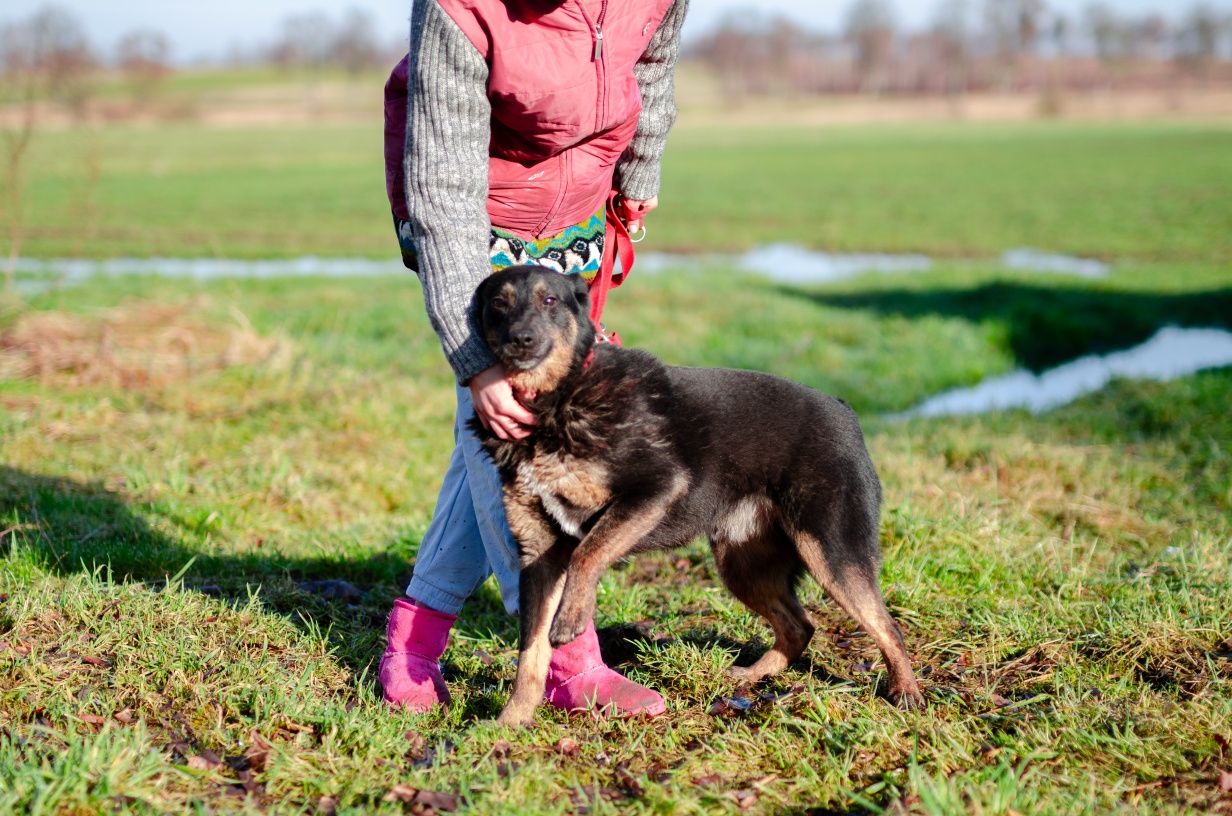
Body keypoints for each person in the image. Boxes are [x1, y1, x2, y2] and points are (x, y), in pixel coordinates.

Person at [379, 0, 689, 717]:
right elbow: (443, 197)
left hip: (580, 216)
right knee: (509, 433)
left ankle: (414, 640)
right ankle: (567, 661)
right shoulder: (461, 9)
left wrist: (636, 181)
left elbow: (654, 65)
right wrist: (474, 363)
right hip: (478, 219)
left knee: (484, 445)